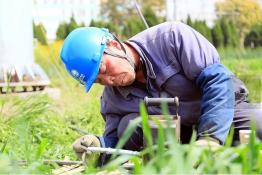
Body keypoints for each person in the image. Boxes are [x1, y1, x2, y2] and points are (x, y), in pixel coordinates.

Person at [60, 22, 262, 164]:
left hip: (222, 112)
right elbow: (117, 142)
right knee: (128, 124)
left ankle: (218, 147)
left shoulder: (172, 37)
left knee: (258, 126)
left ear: (113, 44)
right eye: (98, 80)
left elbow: (217, 81)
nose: (108, 80)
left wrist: (209, 138)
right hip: (173, 137)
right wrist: (98, 146)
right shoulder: (112, 97)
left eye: (103, 69)